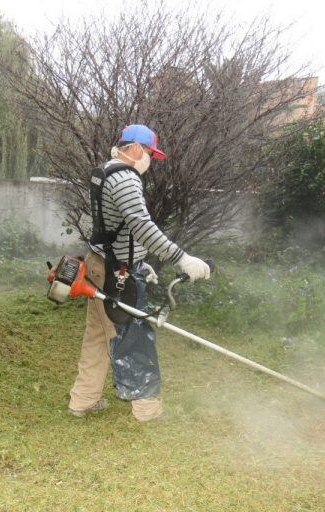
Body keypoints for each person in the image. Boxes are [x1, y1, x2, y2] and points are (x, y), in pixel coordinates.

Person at [69, 124, 211, 422]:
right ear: (133, 148)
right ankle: (147, 410)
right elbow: (141, 226)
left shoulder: (104, 170)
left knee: (97, 336)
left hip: (100, 262)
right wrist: (181, 258)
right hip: (115, 272)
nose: (149, 159)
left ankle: (82, 401)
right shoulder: (125, 178)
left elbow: (116, 224)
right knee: (134, 337)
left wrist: (139, 260)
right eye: (148, 152)